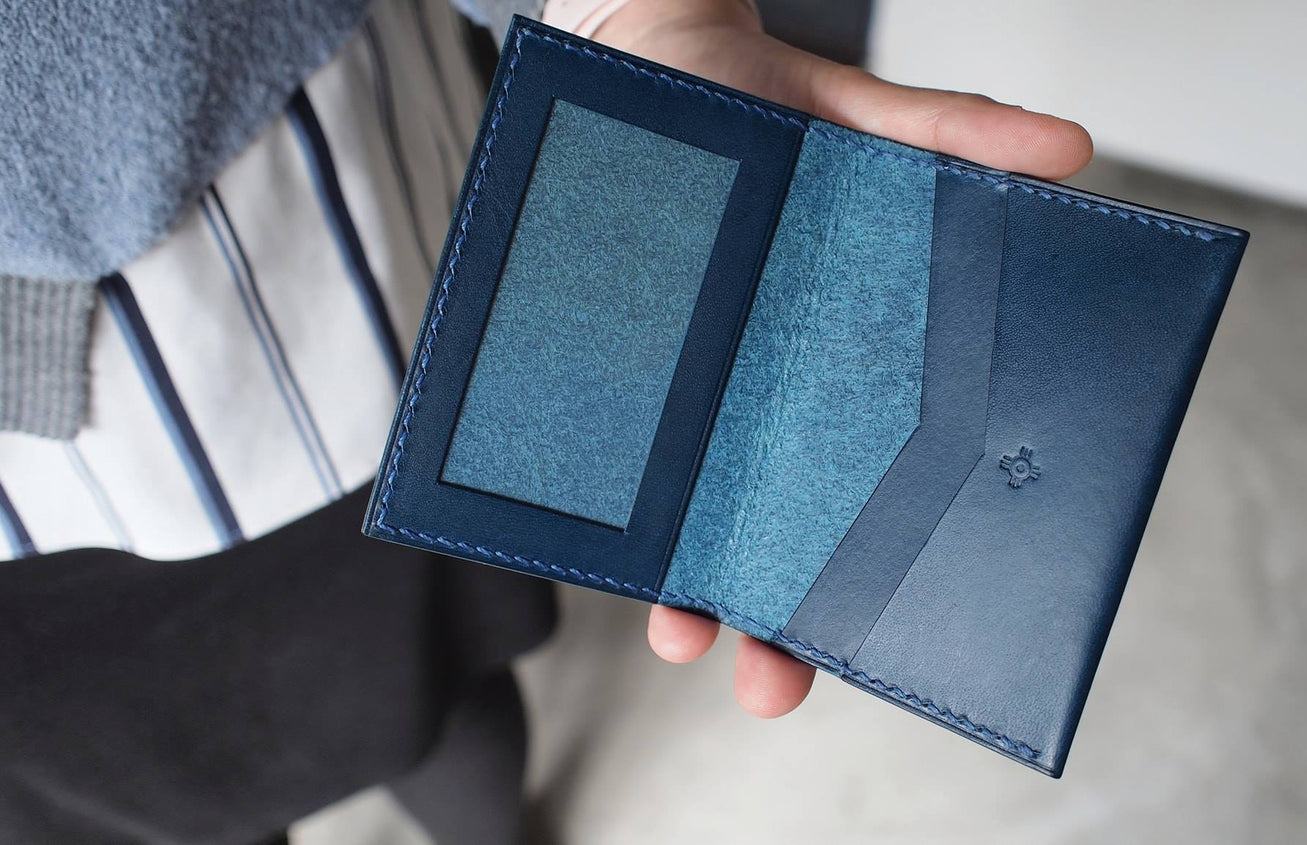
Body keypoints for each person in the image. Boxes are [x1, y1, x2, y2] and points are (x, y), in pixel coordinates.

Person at [0, 0, 1091, 841]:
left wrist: (642, 18)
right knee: (132, 778)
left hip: (362, 287)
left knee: (433, 678)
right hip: (44, 518)